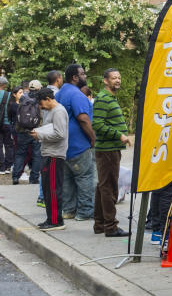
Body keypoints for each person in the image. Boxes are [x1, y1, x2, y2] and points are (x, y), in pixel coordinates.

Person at [92, 68, 132, 237]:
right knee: (109, 188)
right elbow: (98, 125)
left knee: (103, 187)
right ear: (105, 81)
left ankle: (100, 224)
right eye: (113, 78)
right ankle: (111, 226)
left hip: (111, 149)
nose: (117, 80)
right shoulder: (103, 99)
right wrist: (120, 135)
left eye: (119, 77)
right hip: (107, 150)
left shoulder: (110, 98)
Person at [56, 64, 97, 221]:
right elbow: (83, 119)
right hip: (79, 145)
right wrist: (92, 138)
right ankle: (85, 211)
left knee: (67, 180)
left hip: (64, 146)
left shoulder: (60, 94)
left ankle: (68, 210)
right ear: (75, 77)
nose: (85, 77)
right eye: (83, 74)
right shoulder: (77, 95)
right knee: (85, 178)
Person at [31, 88, 69, 231]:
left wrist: (40, 135)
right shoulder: (51, 111)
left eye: (41, 103)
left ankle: (56, 221)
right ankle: (51, 218)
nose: (40, 107)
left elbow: (60, 134)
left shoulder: (58, 111)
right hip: (48, 153)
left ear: (48, 98)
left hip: (55, 155)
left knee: (53, 189)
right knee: (48, 188)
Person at [12, 79, 44, 185]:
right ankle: (34, 178)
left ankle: (16, 177)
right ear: (39, 88)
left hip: (22, 130)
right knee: (36, 155)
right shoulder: (41, 99)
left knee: (20, 154)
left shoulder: (23, 98)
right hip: (36, 131)